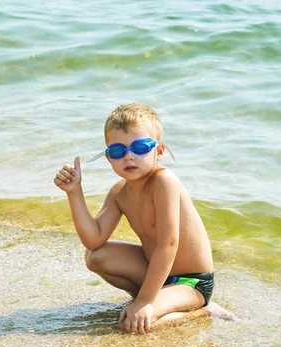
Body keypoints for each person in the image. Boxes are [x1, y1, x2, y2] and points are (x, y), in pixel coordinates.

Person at [53, 103, 214, 334]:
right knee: (96, 257)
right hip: (155, 272)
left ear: (158, 152)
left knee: (134, 322)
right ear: (109, 159)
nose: (129, 156)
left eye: (140, 147)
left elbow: (168, 244)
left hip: (191, 282)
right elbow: (93, 240)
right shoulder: (120, 192)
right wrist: (74, 192)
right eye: (118, 151)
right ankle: (153, 299)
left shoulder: (164, 181)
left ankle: (201, 310)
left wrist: (145, 302)